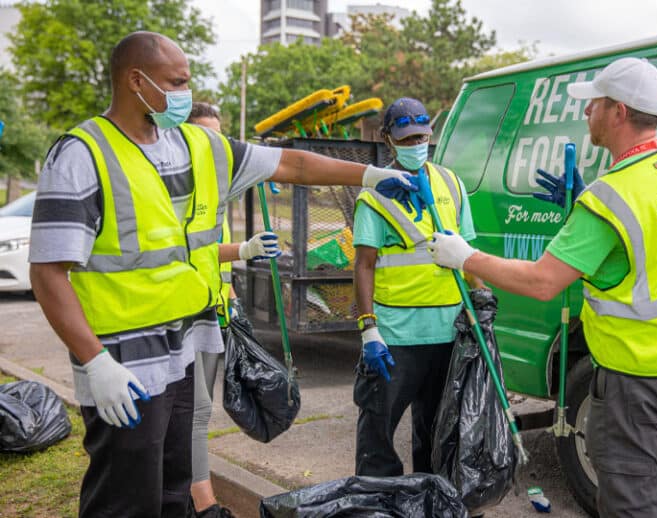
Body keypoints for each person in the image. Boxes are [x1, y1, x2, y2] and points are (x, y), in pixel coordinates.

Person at [28, 31, 415, 518]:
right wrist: (94, 362)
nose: (185, 92)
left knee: (174, 491)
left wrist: (370, 176)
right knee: (126, 498)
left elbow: (291, 163)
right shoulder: (83, 155)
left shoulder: (200, 146)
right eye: (178, 81)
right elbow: (47, 272)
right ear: (135, 80)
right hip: (124, 364)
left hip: (187, 350)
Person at [428, 57, 657, 517]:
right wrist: (584, 201)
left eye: (594, 104)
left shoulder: (610, 197)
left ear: (618, 112)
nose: (587, 114)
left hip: (636, 377)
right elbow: (653, 247)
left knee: (629, 502)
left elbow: (543, 282)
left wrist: (465, 257)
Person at [352, 97, 481, 477]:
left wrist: (480, 304)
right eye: (406, 139)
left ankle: (432, 501)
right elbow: (364, 264)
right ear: (387, 139)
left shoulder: (452, 183)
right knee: (377, 437)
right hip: (394, 339)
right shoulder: (374, 193)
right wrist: (368, 328)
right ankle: (378, 504)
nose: (415, 145)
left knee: (438, 434)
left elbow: (470, 253)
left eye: (421, 137)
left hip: (446, 334)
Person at [186, 102, 278, 518]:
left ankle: (188, 493)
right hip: (178, 318)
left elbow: (211, 261)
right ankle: (203, 503)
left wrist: (233, 297)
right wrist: (244, 249)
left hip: (213, 312)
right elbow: (193, 247)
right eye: (204, 134)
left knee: (195, 414)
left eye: (219, 136)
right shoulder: (179, 190)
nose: (214, 144)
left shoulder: (214, 191)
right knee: (195, 411)